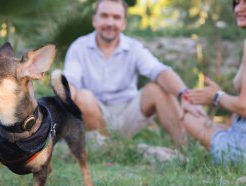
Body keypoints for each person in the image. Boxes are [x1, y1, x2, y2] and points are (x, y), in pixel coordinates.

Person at [63, 0, 203, 147]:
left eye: (116, 17)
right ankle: (107, 147)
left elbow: (159, 70)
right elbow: (71, 82)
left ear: (123, 23)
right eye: (104, 16)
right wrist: (60, 107)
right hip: (94, 115)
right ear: (94, 20)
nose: (110, 22)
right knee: (82, 96)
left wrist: (185, 95)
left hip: (128, 113)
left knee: (157, 89)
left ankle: (184, 149)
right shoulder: (79, 47)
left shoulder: (134, 48)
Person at [183, 0, 246, 164]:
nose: (239, 9)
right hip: (239, 132)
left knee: (188, 117)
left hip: (240, 148)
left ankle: (186, 156)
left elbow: (244, 107)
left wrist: (217, 96)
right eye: (236, 3)